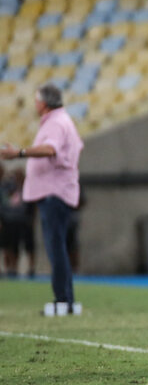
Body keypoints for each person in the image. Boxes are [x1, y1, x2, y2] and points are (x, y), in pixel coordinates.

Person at [1, 83, 84, 314]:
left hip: (54, 193)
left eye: (37, 100)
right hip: (56, 192)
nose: (35, 104)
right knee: (57, 246)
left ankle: (62, 300)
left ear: (44, 103)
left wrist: (19, 153)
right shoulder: (62, 121)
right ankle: (65, 299)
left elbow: (50, 150)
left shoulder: (56, 122)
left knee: (55, 246)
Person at [1, 168, 36, 277]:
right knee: (9, 245)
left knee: (27, 245)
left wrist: (32, 219)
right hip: (8, 221)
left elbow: (33, 205)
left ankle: (30, 268)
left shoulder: (28, 187)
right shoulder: (6, 187)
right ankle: (9, 267)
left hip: (24, 221)